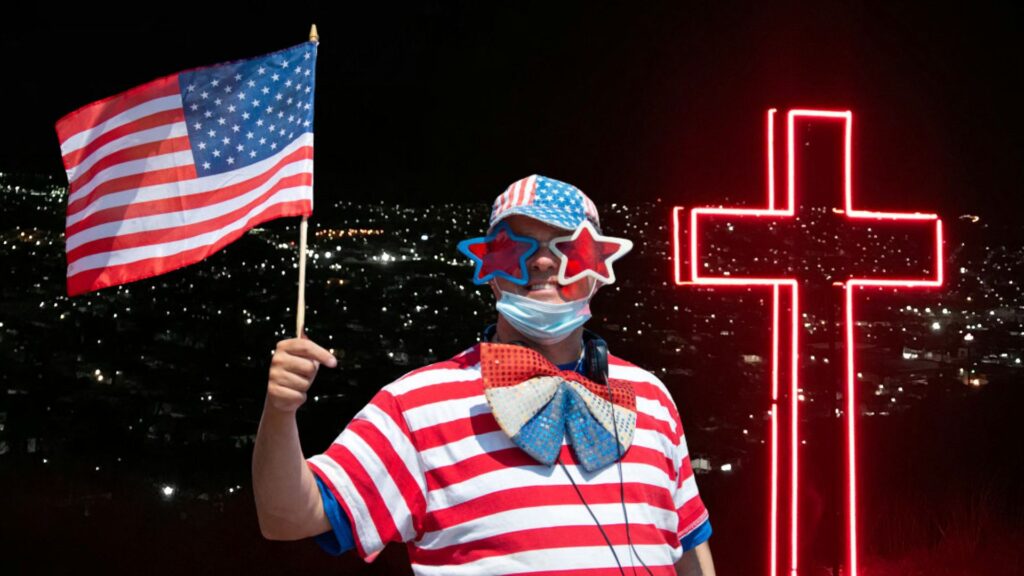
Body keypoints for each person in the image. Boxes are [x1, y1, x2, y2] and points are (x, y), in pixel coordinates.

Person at [253, 175, 716, 575]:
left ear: (599, 268)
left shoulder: (651, 397)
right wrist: (280, 411)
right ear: (490, 268)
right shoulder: (415, 405)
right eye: (518, 247)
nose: (542, 262)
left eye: (567, 246)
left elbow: (689, 544)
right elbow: (290, 516)